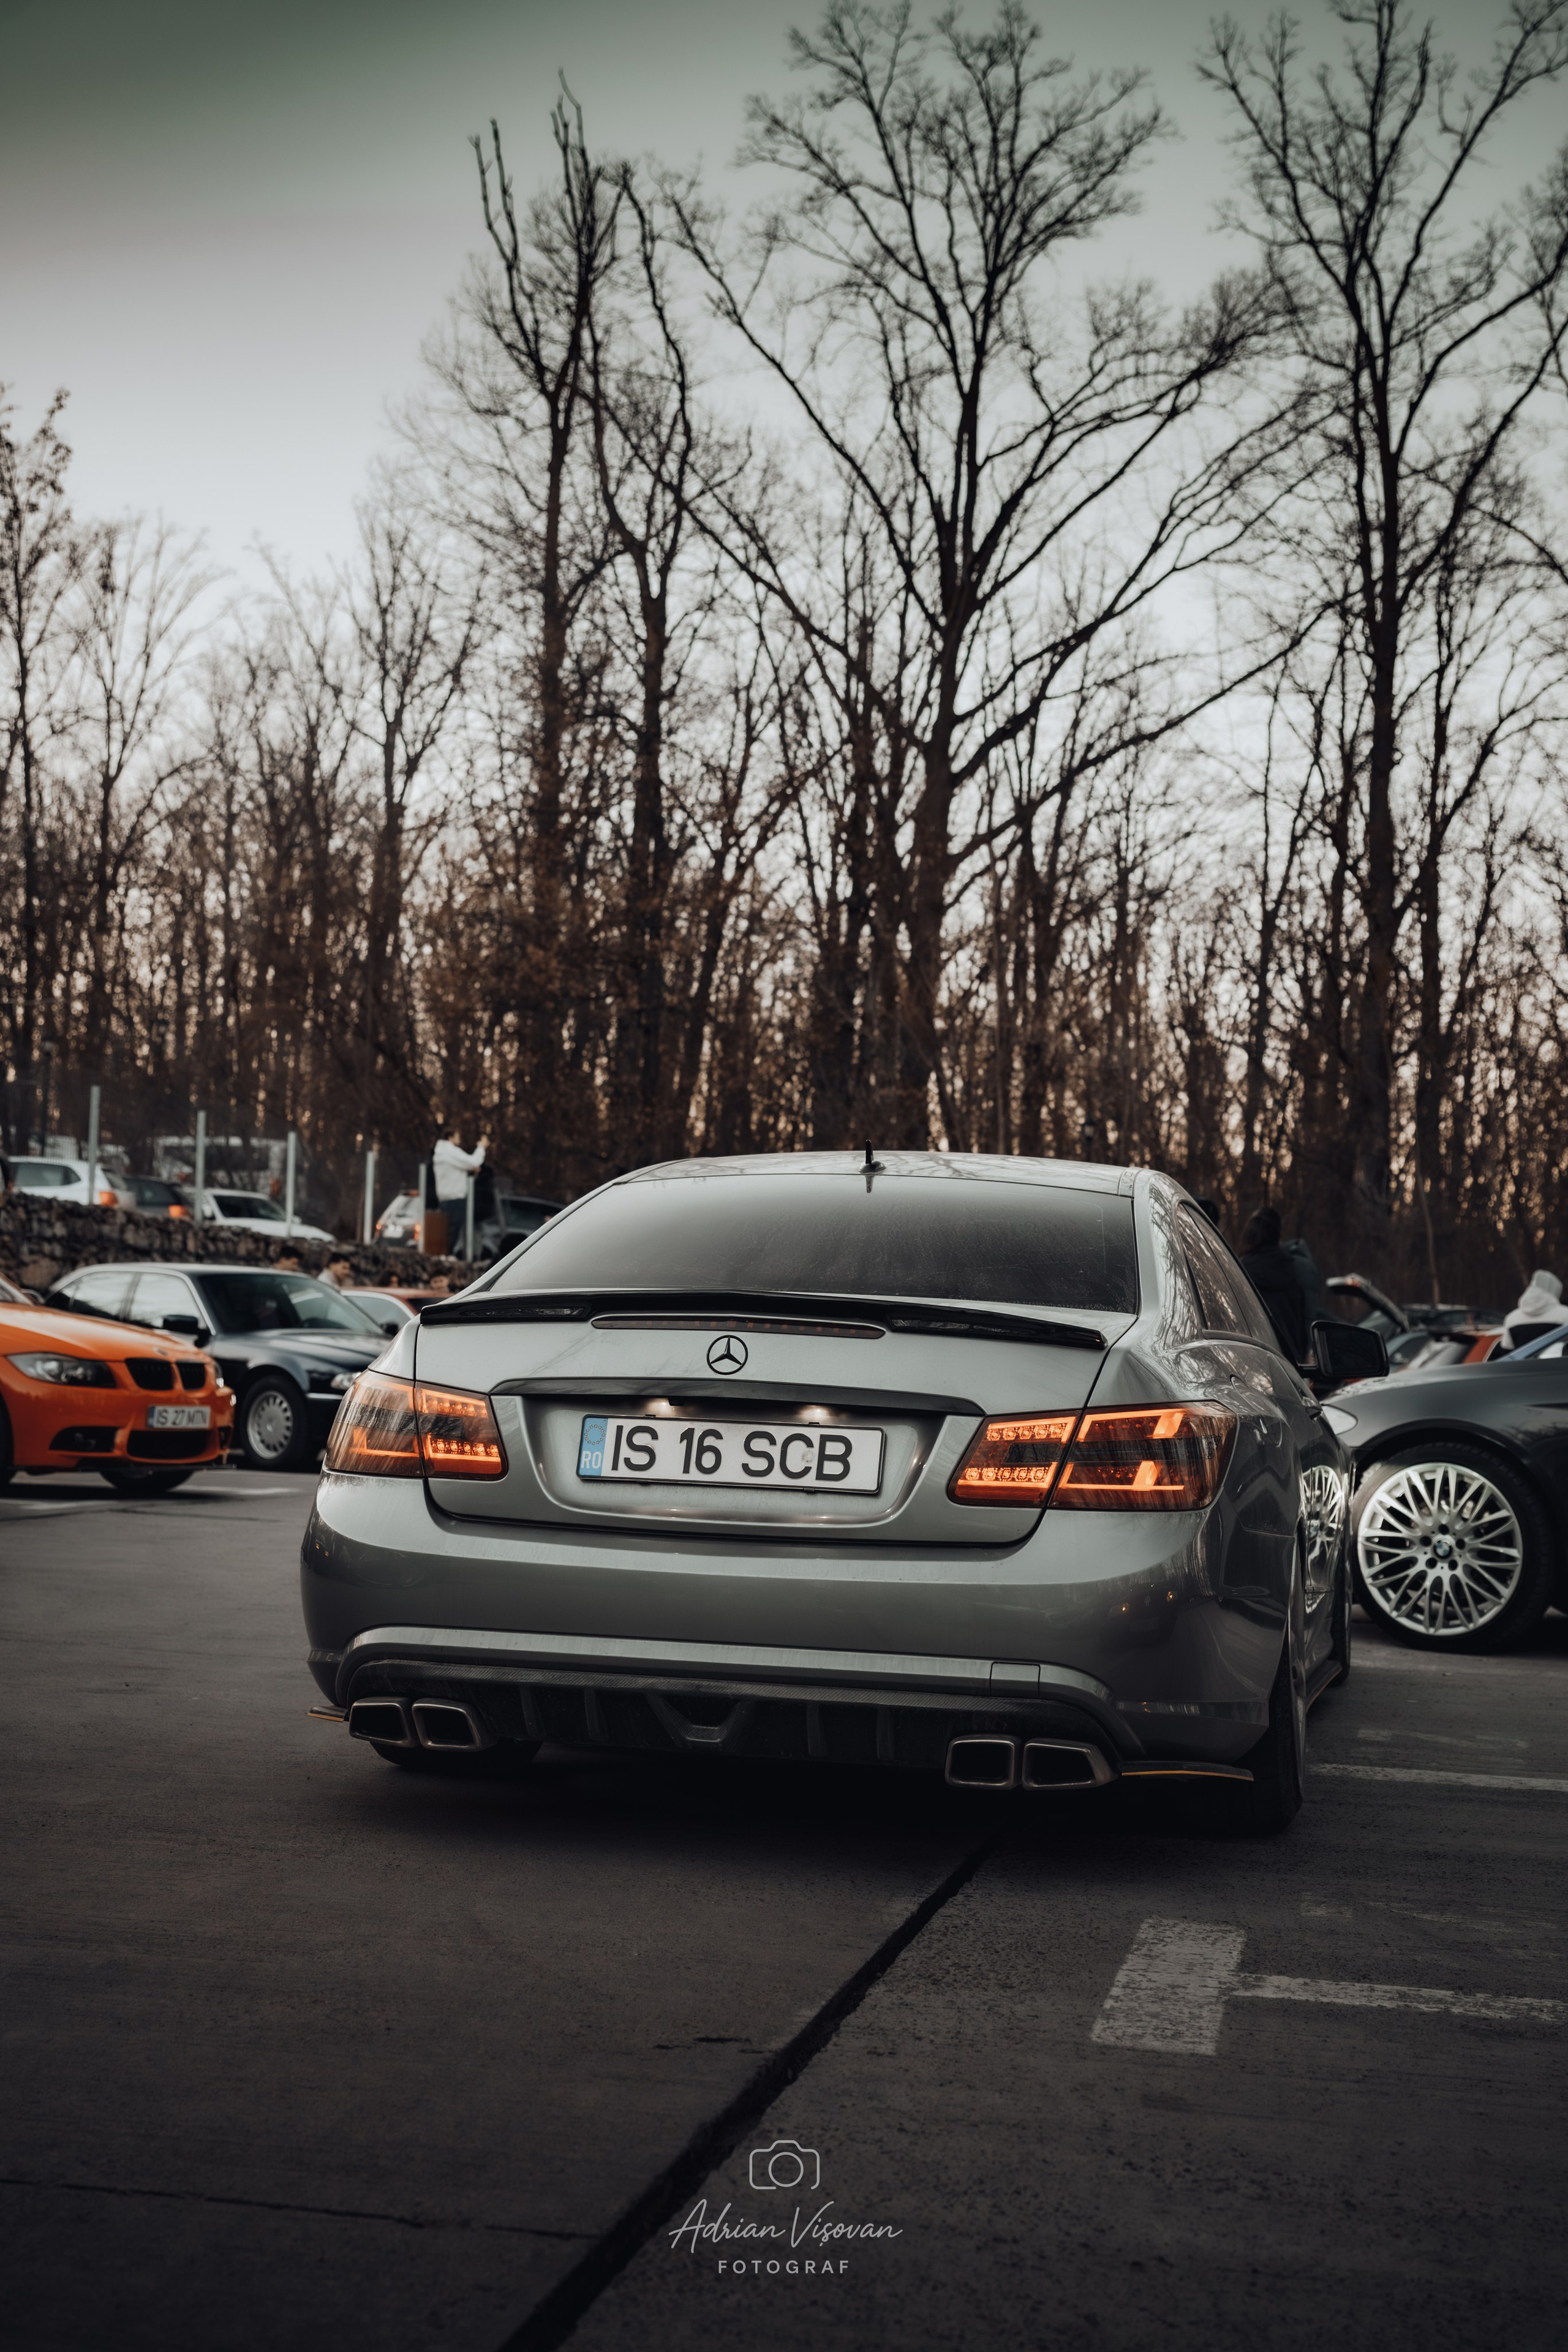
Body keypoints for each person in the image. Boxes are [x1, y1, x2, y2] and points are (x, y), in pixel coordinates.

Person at [1238, 1205, 1309, 1362]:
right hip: (1291, 1367)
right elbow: (1302, 1331)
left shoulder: (1239, 1274)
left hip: (1254, 1365)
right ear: (1278, 1236)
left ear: (1248, 1236)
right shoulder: (1292, 1272)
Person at [1498, 1269, 1563, 1352]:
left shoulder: (1511, 1318)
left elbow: (1507, 1348)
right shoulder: (1565, 1315)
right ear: (1556, 1290)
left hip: (1521, 1365)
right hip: (1557, 1365)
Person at [431, 1121, 489, 1210]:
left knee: (448, 1223)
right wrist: (481, 1147)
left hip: (444, 1197)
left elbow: (462, 1165)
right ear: (450, 1138)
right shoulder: (450, 1151)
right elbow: (473, 1162)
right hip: (455, 1197)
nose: (460, 1140)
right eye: (457, 1137)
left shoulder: (441, 1152)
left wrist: (471, 1168)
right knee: (455, 1223)